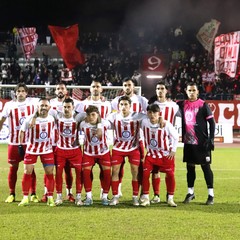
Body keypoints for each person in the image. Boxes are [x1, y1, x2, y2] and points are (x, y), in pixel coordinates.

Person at [177, 82, 215, 205]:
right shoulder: (182, 104)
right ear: (186, 91)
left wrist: (211, 139)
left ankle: (211, 195)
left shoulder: (203, 105)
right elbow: (168, 106)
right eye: (189, 90)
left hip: (202, 143)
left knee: (205, 167)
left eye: (194, 90)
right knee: (190, 168)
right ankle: (190, 192)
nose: (191, 93)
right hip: (189, 142)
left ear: (197, 91)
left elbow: (212, 123)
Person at [0, 83, 39, 203]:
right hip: (14, 142)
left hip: (29, 142)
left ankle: (33, 193)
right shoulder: (9, 105)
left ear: (26, 93)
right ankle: (12, 193)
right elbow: (2, 120)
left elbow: (45, 106)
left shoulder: (33, 102)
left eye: (23, 91)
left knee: (30, 169)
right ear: (15, 93)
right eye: (19, 91)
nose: (21, 93)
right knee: (13, 168)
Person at [41, 82, 79, 202]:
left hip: (68, 145)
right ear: (55, 91)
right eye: (58, 88)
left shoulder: (74, 103)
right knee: (49, 169)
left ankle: (70, 193)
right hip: (52, 143)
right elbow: (40, 112)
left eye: (62, 88)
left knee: (68, 170)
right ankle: (47, 192)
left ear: (66, 90)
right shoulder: (50, 104)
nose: (60, 90)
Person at [111, 77, 148, 197]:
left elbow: (148, 115)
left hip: (137, 139)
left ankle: (141, 192)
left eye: (129, 85)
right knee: (118, 166)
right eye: (125, 85)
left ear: (133, 87)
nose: (127, 87)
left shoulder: (141, 100)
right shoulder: (116, 100)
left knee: (139, 167)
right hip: (120, 140)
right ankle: (118, 189)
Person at [75, 79, 112, 199]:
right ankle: (88, 195)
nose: (95, 88)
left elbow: (107, 120)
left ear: (101, 89)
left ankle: (104, 193)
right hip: (89, 146)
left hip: (103, 144)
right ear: (90, 89)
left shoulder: (107, 104)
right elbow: (77, 120)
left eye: (98, 86)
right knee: (86, 171)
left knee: (105, 171)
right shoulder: (82, 104)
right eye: (93, 87)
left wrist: (100, 126)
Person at [107, 96, 146, 206]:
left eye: (126, 105)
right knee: (115, 172)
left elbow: (151, 117)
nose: (123, 107)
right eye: (121, 105)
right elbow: (103, 124)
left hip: (133, 148)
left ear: (130, 106)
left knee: (135, 172)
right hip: (118, 148)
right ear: (118, 106)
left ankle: (135, 197)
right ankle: (115, 196)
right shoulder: (113, 116)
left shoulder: (138, 116)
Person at [18, 98, 55, 207]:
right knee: (27, 172)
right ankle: (25, 198)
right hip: (32, 149)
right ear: (37, 107)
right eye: (41, 105)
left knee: (49, 173)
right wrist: (20, 145)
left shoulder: (52, 118)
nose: (43, 107)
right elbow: (22, 131)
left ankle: (50, 198)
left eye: (45, 105)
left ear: (49, 107)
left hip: (47, 149)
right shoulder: (29, 119)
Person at [139, 104, 179, 207]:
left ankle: (170, 198)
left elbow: (176, 137)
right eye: (150, 112)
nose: (152, 115)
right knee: (145, 174)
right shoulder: (144, 121)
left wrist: (173, 150)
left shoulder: (166, 124)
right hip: (151, 155)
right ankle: (146, 198)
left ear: (159, 113)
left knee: (170, 175)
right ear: (147, 113)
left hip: (165, 155)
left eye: (155, 113)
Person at [147, 81, 179, 204]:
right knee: (154, 172)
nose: (160, 90)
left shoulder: (174, 106)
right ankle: (156, 195)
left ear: (166, 90)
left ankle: (170, 197)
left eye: (162, 88)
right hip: (154, 145)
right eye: (157, 88)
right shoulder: (152, 104)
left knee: (170, 172)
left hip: (168, 145)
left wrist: (174, 147)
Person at [53, 98, 85, 206]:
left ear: (73, 107)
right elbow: (42, 108)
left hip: (75, 150)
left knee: (79, 174)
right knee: (58, 174)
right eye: (65, 107)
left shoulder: (78, 117)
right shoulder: (58, 115)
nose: (66, 109)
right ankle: (59, 197)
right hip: (60, 150)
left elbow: (93, 113)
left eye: (69, 107)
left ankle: (79, 197)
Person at [80, 105, 112, 206]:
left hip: (103, 152)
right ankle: (89, 197)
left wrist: (99, 125)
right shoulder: (83, 124)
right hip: (89, 153)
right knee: (85, 173)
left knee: (107, 173)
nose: (91, 117)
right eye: (89, 115)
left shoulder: (105, 123)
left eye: (93, 114)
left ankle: (105, 196)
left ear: (98, 115)